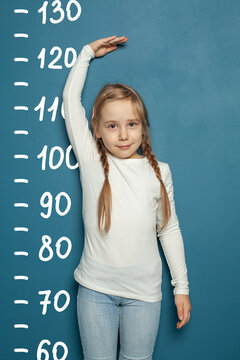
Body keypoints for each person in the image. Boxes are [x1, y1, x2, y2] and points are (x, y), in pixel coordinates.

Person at [63, 35, 192, 360]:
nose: (123, 135)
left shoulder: (159, 171)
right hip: (95, 292)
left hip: (144, 296)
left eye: (131, 124)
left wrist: (181, 288)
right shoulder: (92, 161)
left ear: (142, 128)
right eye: (112, 125)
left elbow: (169, 230)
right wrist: (87, 54)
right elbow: (69, 100)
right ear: (97, 129)